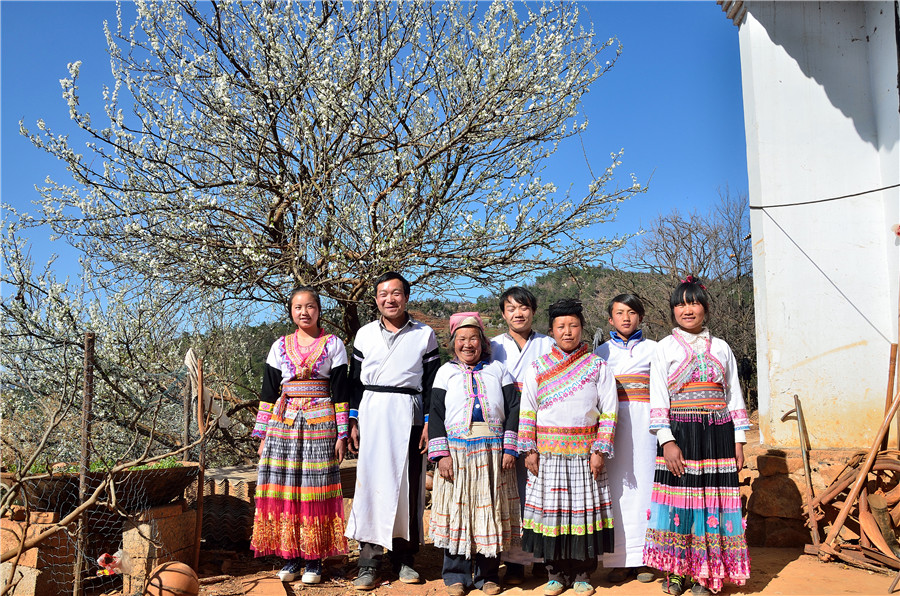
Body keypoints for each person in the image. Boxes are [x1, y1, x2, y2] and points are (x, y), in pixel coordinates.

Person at [643, 277, 751, 595]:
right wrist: (668, 441)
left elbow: (734, 397)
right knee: (679, 504)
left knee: (712, 504)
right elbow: (659, 397)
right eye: (680, 303)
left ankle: (707, 573)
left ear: (705, 307)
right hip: (680, 436)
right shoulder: (664, 349)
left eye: (693, 302)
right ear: (673, 310)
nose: (687, 309)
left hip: (718, 436)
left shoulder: (722, 348)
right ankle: (677, 572)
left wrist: (739, 441)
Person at [345, 271, 440, 590]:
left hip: (409, 415)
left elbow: (431, 384)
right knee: (370, 485)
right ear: (376, 299)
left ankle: (404, 559)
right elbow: (355, 381)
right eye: (384, 293)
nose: (390, 299)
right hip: (372, 412)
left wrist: (429, 423)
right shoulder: (364, 335)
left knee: (408, 488)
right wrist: (353, 420)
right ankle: (368, 562)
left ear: (406, 297)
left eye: (396, 293)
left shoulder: (424, 334)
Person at [519, 298, 618, 596]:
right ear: (551, 331)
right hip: (548, 455)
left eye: (573, 325)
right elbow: (528, 410)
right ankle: (555, 574)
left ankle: (583, 574)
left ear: (582, 328)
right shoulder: (537, 367)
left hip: (585, 456)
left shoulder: (597, 366)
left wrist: (600, 450)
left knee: (583, 514)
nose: (567, 332)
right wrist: (530, 449)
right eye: (561, 326)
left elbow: (610, 411)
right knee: (554, 514)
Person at [250, 287, 349, 584]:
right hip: (283, 422)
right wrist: (264, 435)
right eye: (297, 307)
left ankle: (314, 560)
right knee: (284, 486)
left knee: (315, 486)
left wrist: (341, 434)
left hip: (320, 422)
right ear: (290, 312)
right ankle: (290, 557)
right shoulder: (279, 346)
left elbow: (341, 391)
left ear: (319, 310)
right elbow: (268, 393)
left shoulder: (333, 345)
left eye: (309, 306)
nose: (303, 312)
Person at [429, 312, 521, 596]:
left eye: (474, 339)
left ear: (483, 342)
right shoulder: (445, 372)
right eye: (461, 339)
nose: (468, 344)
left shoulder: (499, 371)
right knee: (458, 512)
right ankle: (456, 576)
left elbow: (514, 409)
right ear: (453, 343)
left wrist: (509, 447)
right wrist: (441, 455)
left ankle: (488, 576)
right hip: (456, 453)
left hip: (492, 452)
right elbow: (435, 413)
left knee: (489, 512)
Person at [490, 286, 555, 585]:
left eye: (524, 307)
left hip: (541, 423)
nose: (518, 313)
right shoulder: (492, 346)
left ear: (534, 310)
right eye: (512, 308)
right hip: (502, 422)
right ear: (503, 313)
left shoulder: (549, 344)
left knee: (540, 488)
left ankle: (543, 558)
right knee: (509, 491)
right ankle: (514, 562)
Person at [594, 294, 658, 585]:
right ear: (610, 319)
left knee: (646, 487)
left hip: (647, 427)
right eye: (620, 313)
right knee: (616, 491)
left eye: (632, 312)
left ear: (641, 317)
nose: (626, 318)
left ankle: (646, 558)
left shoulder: (656, 350)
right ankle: (618, 559)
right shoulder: (601, 353)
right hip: (613, 427)